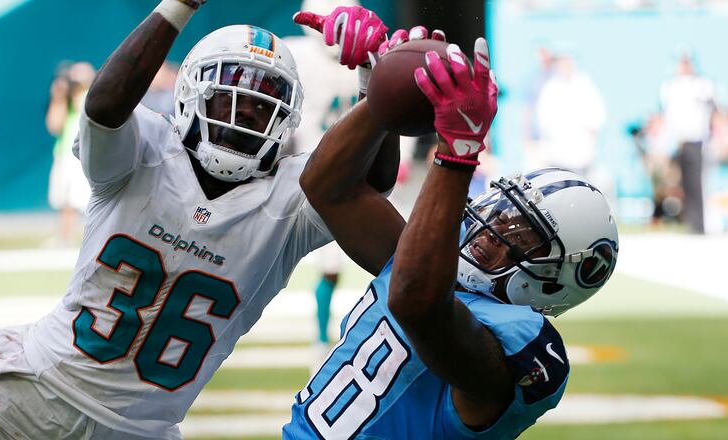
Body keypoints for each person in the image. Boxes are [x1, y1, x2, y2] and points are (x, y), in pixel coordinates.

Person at [0, 2, 394, 439]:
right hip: (31, 388)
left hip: (139, 430)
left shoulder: (292, 196)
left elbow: (368, 186)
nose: (249, 111)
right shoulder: (149, 146)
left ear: (284, 118)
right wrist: (178, 4)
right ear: (194, 93)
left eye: (265, 102)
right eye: (232, 96)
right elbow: (103, 108)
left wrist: (378, 79)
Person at [283, 27, 619, 439]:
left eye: (520, 233)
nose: (491, 230)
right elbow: (326, 187)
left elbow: (418, 303)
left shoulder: (519, 341)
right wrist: (381, 90)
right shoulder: (430, 269)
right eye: (501, 213)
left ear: (556, 280)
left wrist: (457, 152)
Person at [284, 0, 362, 356]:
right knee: (328, 264)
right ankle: (320, 335)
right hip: (313, 173)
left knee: (387, 260)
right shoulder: (299, 56)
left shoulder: (370, 58)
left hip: (363, 172)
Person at [659, 47, 716, 234]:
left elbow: (713, 113)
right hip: (678, 142)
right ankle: (690, 222)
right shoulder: (670, 86)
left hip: (697, 141)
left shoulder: (702, 85)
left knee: (698, 185)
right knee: (682, 185)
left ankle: (702, 225)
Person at [45, 61, 95, 246]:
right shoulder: (64, 102)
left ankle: (87, 238)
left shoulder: (89, 96)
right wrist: (58, 97)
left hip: (83, 155)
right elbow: (53, 125)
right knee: (64, 199)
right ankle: (64, 235)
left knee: (82, 200)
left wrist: (79, 89)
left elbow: (85, 109)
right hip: (63, 154)